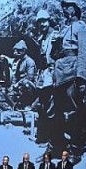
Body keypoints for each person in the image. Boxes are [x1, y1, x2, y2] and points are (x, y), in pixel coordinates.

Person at [50, 0, 86, 162]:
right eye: (64, 6)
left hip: (73, 71)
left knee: (73, 111)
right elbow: (56, 53)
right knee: (57, 111)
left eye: (67, 6)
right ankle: (58, 147)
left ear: (75, 8)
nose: (64, 9)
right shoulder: (64, 29)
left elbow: (84, 52)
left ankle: (75, 149)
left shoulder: (82, 28)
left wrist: (81, 76)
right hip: (60, 72)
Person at [32, 9, 57, 143]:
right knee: (42, 105)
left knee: (51, 106)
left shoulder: (56, 35)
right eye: (40, 22)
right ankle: (42, 136)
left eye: (44, 21)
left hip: (53, 72)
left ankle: (51, 138)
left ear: (49, 21)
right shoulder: (41, 38)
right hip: (43, 74)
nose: (42, 24)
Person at [0, 40, 36, 110]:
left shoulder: (29, 61)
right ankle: (16, 106)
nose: (16, 52)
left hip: (28, 86)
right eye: (15, 50)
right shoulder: (19, 61)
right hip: (19, 86)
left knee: (26, 84)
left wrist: (17, 84)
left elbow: (30, 77)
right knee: (5, 95)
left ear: (24, 50)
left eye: (19, 50)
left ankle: (27, 104)